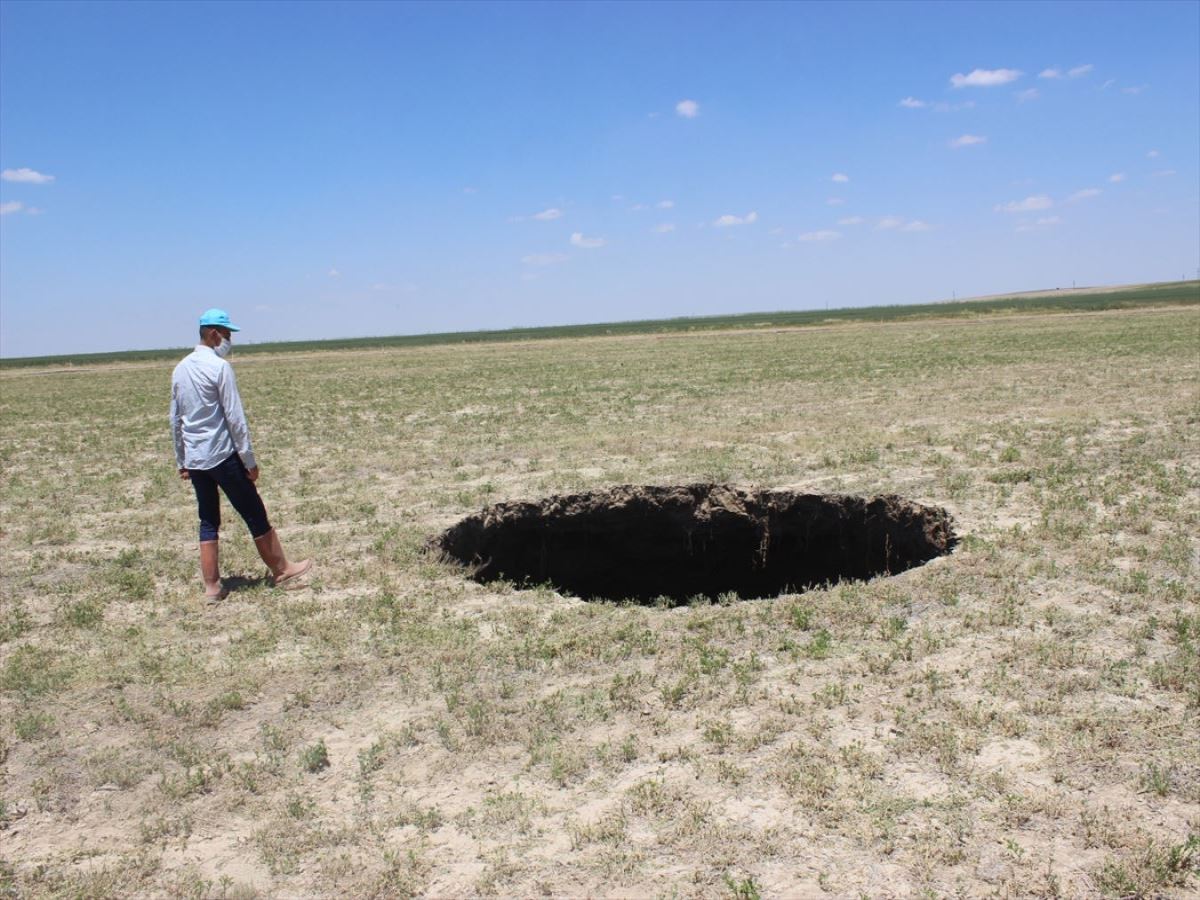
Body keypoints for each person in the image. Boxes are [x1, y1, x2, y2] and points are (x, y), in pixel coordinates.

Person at [170, 308, 311, 600]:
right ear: (213, 334)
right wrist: (249, 461)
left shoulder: (180, 368)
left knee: (208, 519)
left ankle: (211, 587)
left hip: (196, 459)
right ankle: (281, 568)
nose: (229, 339)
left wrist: (182, 459)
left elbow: (175, 418)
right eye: (227, 334)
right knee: (254, 512)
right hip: (222, 455)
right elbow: (235, 419)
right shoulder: (219, 368)